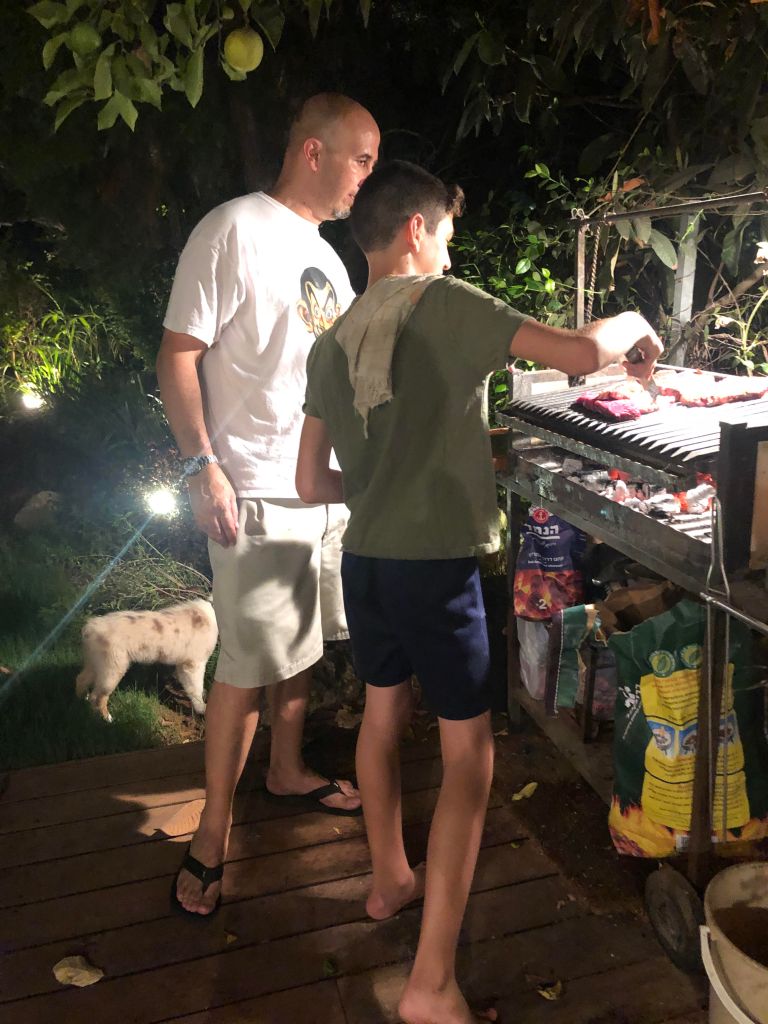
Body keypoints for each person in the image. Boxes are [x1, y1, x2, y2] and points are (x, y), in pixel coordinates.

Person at [295, 160, 663, 1024]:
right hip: (437, 569)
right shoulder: (444, 303)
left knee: (380, 718)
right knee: (469, 758)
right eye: (449, 238)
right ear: (417, 230)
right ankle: (430, 985)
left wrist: (385, 486)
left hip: (367, 563)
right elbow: (581, 353)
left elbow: (312, 481)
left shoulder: (332, 340)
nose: (452, 257)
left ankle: (390, 880)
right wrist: (638, 321)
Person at [156, 93, 380, 917]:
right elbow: (178, 354)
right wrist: (202, 466)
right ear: (314, 151)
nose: (366, 179)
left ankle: (285, 770)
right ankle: (212, 832)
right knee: (247, 665)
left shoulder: (328, 258)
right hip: (251, 485)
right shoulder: (232, 229)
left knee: (303, 640)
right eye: (361, 160)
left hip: (323, 486)